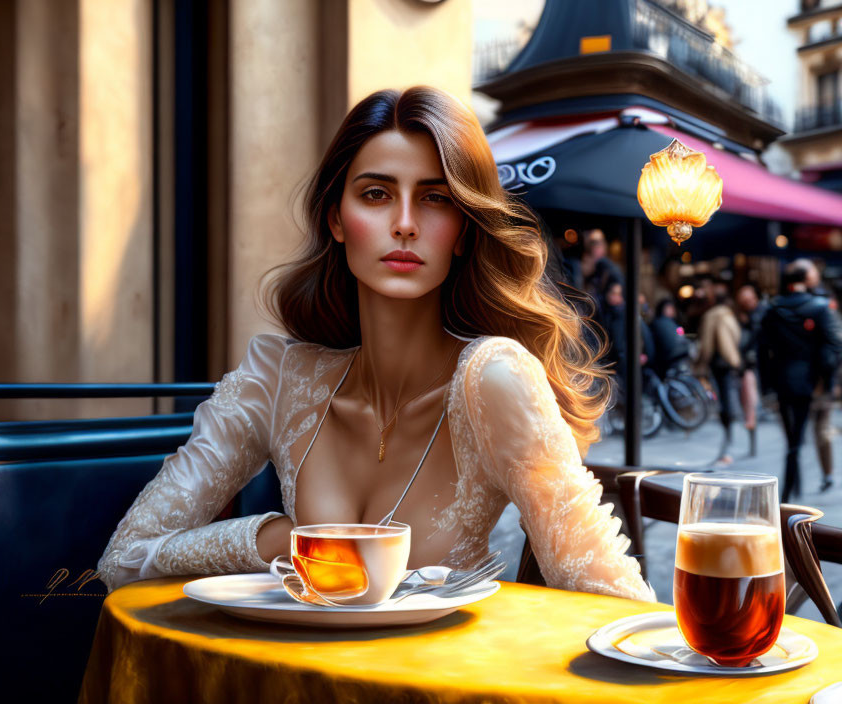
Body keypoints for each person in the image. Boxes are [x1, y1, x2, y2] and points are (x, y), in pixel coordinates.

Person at [97, 87, 653, 602]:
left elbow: (611, 601)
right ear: (337, 218)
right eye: (376, 194)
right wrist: (280, 539)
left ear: (463, 229)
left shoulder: (495, 378)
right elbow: (123, 559)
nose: (405, 224)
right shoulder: (278, 377)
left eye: (435, 199)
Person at [759, 260, 842, 502]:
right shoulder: (820, 307)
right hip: (811, 382)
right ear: (805, 279)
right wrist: (826, 377)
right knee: (797, 439)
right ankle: (788, 495)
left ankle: (790, 491)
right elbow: (834, 345)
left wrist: (766, 385)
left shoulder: (773, 309)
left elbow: (763, 349)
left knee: (793, 439)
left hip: (782, 380)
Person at [795, 259, 838, 491]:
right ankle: (807, 475)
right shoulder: (815, 303)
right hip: (809, 377)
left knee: (820, 428)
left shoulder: (821, 303)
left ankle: (826, 473)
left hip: (818, 378)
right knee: (810, 430)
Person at [696, 282, 741, 465]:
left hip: (718, 362)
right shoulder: (729, 315)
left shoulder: (711, 316)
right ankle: (730, 430)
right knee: (728, 395)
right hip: (729, 362)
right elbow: (735, 337)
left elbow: (706, 343)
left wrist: (700, 363)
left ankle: (727, 431)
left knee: (723, 398)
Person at [736, 285, 766, 458]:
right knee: (750, 405)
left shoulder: (759, 315)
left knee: (751, 405)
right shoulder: (747, 317)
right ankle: (752, 443)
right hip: (750, 366)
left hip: (757, 367)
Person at [649, 298, 690, 378]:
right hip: (664, 360)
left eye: (671, 309)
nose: (670, 311)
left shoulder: (676, 325)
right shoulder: (657, 323)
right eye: (667, 308)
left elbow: (681, 336)